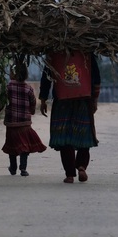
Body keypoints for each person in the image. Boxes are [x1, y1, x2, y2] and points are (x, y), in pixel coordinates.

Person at [39, 51, 100, 184]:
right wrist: (94, 99)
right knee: (84, 134)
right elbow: (96, 77)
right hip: (83, 100)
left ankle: (70, 174)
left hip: (62, 102)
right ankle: (82, 165)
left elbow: (46, 77)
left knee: (65, 138)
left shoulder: (54, 54)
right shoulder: (86, 53)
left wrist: (43, 99)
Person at [0, 60, 46, 176]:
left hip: (12, 123)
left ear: (13, 73)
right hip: (24, 123)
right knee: (24, 146)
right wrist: (32, 111)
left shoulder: (8, 87)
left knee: (12, 146)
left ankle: (13, 167)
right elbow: (33, 102)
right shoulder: (29, 88)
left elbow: (0, 102)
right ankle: (23, 168)